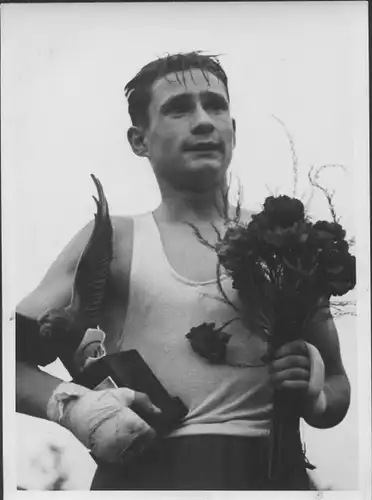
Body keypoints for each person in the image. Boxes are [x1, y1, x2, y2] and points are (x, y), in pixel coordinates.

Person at [15, 51, 351, 490]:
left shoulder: (287, 242)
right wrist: (77, 407)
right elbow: (11, 362)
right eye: (178, 108)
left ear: (235, 130)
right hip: (146, 478)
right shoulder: (112, 239)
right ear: (139, 140)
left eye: (216, 105)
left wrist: (315, 392)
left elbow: (338, 388)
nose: (204, 121)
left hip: (271, 477)